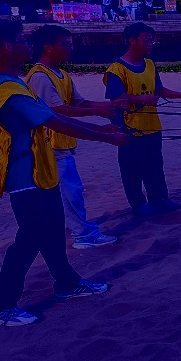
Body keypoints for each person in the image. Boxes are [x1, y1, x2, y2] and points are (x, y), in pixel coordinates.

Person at [0, 19, 130, 327]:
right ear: (7, 46)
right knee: (29, 240)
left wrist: (100, 127)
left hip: (42, 174)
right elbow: (55, 122)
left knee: (51, 233)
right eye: (21, 39)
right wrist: (104, 136)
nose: (27, 44)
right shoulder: (8, 91)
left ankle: (67, 284)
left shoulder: (18, 84)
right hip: (25, 178)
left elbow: (54, 115)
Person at [26, 25, 123, 249]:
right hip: (51, 144)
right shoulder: (40, 76)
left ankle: (70, 228)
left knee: (65, 190)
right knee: (71, 191)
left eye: (71, 44)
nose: (71, 48)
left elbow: (78, 102)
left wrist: (107, 106)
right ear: (49, 48)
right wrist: (99, 114)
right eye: (66, 44)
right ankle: (83, 235)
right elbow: (56, 110)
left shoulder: (61, 74)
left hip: (63, 141)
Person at [104, 23, 181, 217]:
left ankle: (159, 200)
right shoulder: (116, 69)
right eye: (146, 40)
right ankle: (138, 204)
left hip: (152, 125)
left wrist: (180, 95)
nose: (150, 44)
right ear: (132, 40)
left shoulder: (150, 64)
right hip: (128, 128)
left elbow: (159, 89)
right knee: (132, 167)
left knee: (155, 164)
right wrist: (141, 99)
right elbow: (116, 97)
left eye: (152, 40)